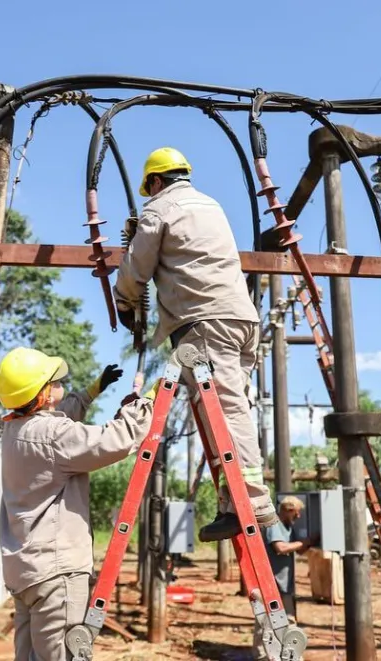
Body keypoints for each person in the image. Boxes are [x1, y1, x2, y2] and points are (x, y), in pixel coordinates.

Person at [114, 146, 272, 542]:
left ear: (154, 180)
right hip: (241, 320)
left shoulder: (159, 208)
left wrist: (123, 300)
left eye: (149, 187)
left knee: (228, 412)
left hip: (207, 322)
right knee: (223, 411)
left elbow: (137, 269)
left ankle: (253, 503)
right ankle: (230, 502)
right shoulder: (210, 204)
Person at [0, 347, 154, 661]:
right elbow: (118, 440)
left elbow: (57, 419)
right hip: (57, 575)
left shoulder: (14, 431)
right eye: (54, 381)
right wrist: (148, 400)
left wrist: (93, 390)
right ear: (41, 394)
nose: (60, 383)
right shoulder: (53, 436)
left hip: (27, 573)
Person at [252, 496, 316, 660]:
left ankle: (289, 654)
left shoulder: (288, 527)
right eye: (296, 513)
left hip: (284, 583)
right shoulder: (273, 524)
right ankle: (262, 656)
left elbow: (298, 549)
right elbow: (280, 547)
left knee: (288, 620)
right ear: (287, 510)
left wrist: (311, 541)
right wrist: (304, 542)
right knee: (266, 621)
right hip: (271, 583)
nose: (299, 516)